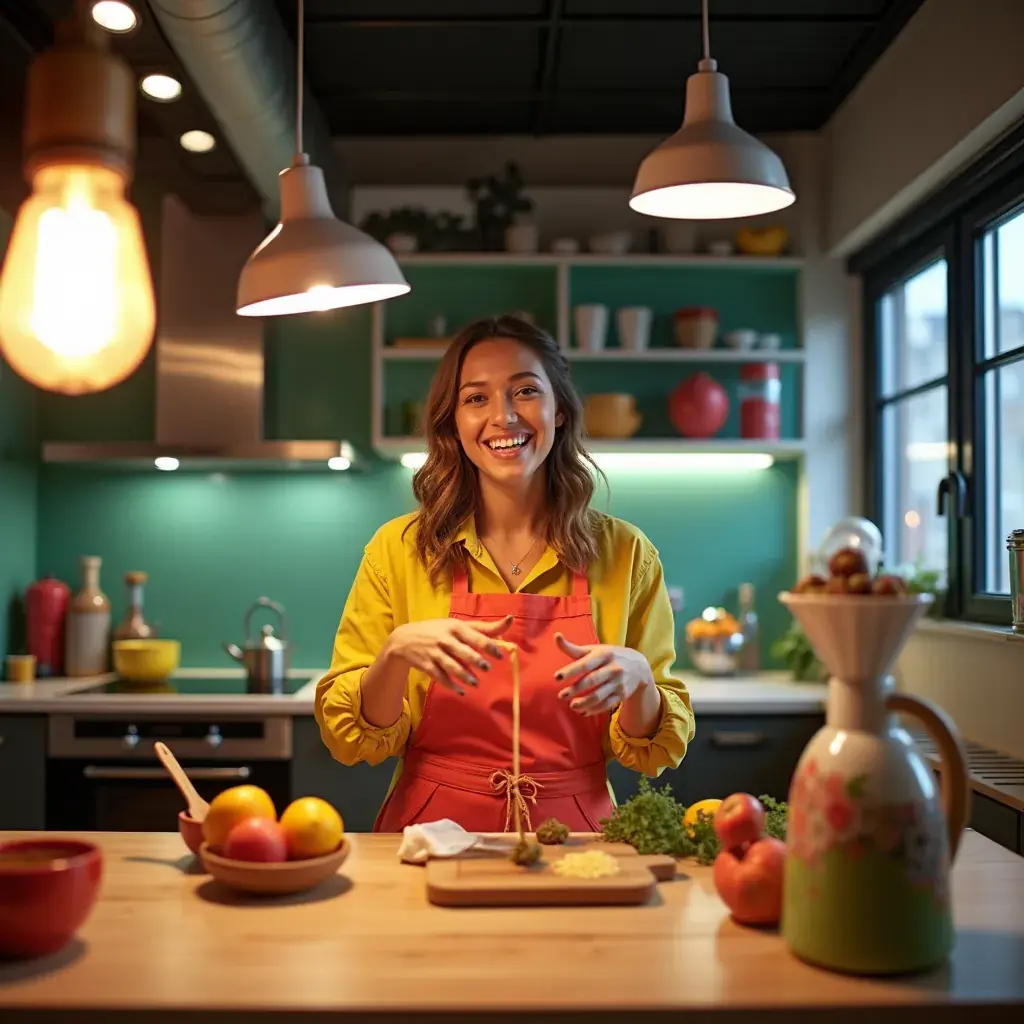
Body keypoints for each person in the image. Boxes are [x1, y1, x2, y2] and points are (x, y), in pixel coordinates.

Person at [315, 315, 695, 834]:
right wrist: (395, 654)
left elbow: (650, 749)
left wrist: (640, 683)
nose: (504, 416)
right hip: (432, 834)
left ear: (558, 410)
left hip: (576, 838)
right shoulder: (397, 550)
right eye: (476, 398)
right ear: (452, 421)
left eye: (525, 391)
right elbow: (354, 738)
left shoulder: (626, 553)